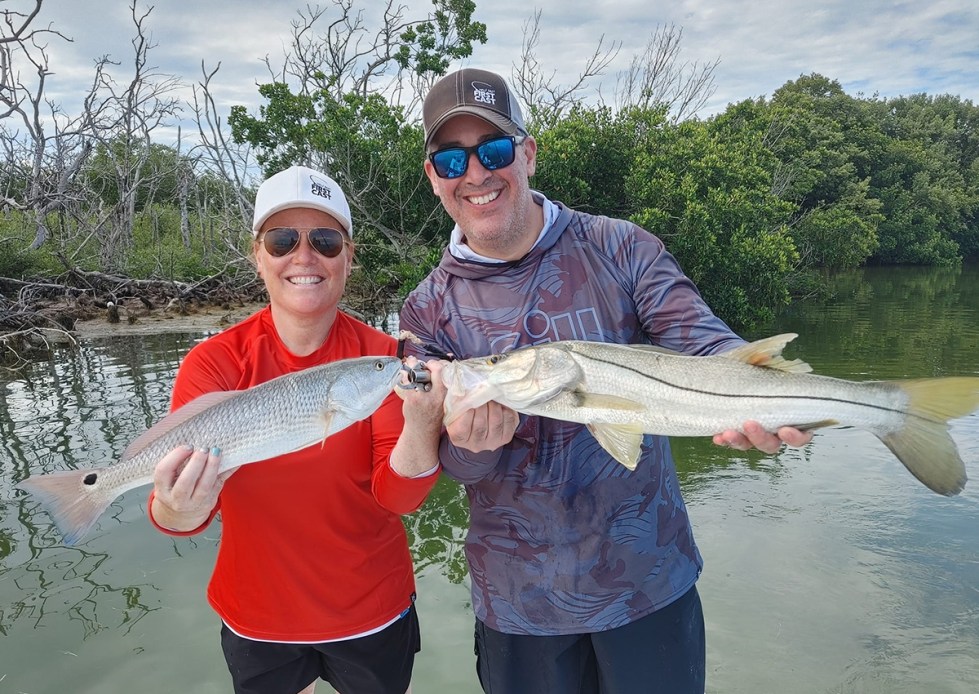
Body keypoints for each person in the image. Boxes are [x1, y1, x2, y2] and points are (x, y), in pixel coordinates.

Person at [399, 68, 812, 693]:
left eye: (495, 150)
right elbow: (449, 464)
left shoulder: (620, 246)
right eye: (452, 159)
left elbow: (699, 337)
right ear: (433, 178)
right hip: (518, 603)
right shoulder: (426, 309)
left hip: (650, 583)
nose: (476, 174)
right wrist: (473, 447)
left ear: (528, 155)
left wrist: (755, 392)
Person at [147, 165, 444, 694]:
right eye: (283, 240)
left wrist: (423, 423)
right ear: (257, 255)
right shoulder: (212, 364)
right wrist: (175, 506)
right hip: (256, 616)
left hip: (372, 608)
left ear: (349, 258)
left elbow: (397, 496)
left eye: (325, 241)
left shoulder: (383, 360)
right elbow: (180, 517)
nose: (303, 257)